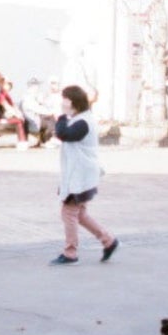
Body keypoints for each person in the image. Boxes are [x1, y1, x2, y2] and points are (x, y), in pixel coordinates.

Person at [49, 85, 118, 265]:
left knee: (68, 213)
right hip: (81, 175)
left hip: (80, 177)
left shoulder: (82, 122)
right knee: (79, 214)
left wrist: (62, 116)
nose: (62, 102)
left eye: (64, 99)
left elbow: (63, 134)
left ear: (72, 101)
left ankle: (70, 253)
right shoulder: (80, 119)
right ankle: (108, 241)